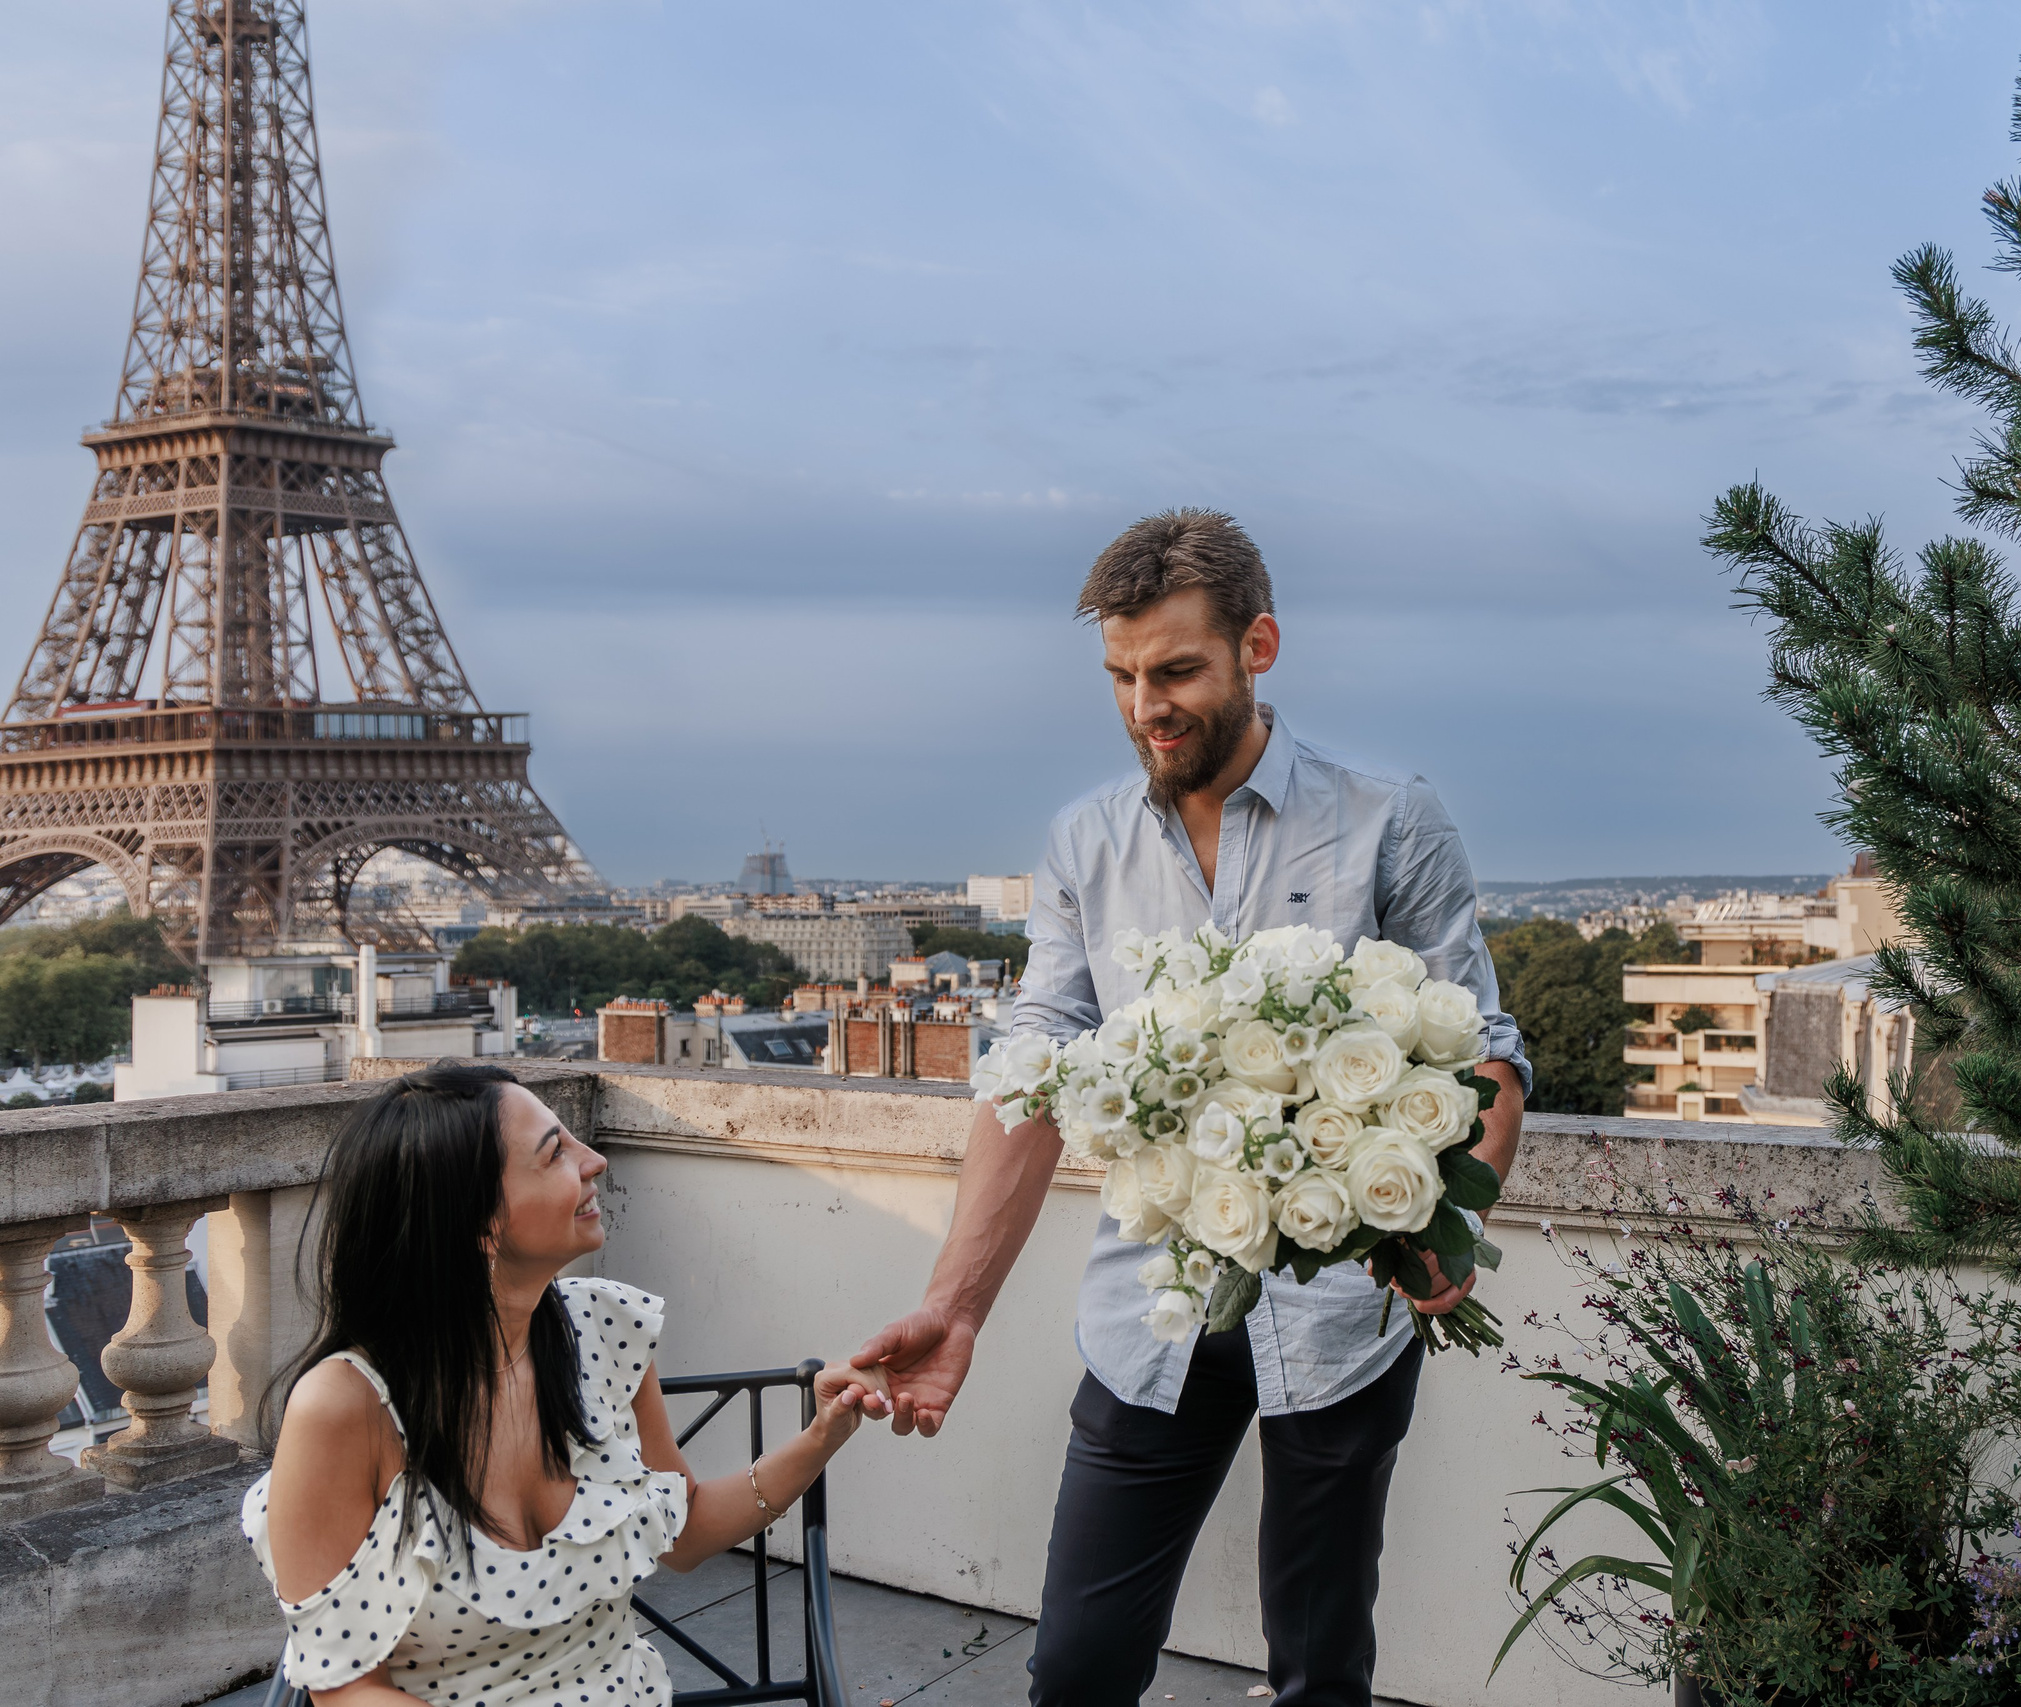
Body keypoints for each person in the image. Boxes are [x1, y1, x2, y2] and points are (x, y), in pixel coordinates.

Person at [851, 510, 1531, 1707]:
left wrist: (1445, 1232)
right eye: (1120, 677)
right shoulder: (1082, 844)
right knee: (1073, 1671)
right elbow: (1032, 1075)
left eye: (1175, 672)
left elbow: (1486, 1050)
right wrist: (953, 1310)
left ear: (1256, 646)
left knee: (1321, 1674)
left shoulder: (1389, 818)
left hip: (1339, 1320)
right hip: (1149, 1308)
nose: (1144, 707)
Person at [242, 1062, 887, 1703]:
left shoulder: (602, 1329)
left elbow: (685, 1536)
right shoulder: (346, 1408)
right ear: (478, 1223)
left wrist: (823, 1436)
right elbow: (347, 1689)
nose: (594, 1160)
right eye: (554, 1154)